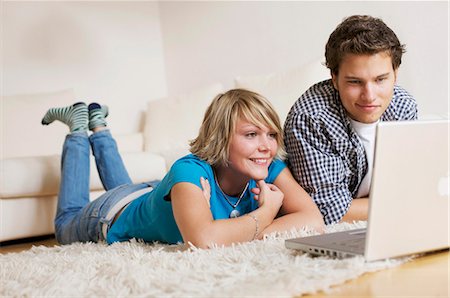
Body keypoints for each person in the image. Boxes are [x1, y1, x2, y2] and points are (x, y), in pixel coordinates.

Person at [42, 89, 324, 248]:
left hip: (150, 193)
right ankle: (79, 129)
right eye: (251, 135)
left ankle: (100, 126)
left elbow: (313, 219)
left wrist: (234, 230)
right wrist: (267, 212)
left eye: (272, 135)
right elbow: (203, 240)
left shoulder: (267, 165)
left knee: (129, 191)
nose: (266, 146)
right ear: (221, 137)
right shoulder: (187, 171)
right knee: (65, 223)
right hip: (111, 212)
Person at [284, 15, 418, 225]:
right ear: (334, 78)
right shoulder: (310, 119)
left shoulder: (403, 106)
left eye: (380, 79)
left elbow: (406, 183)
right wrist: (402, 203)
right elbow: (329, 211)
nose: (370, 95)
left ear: (395, 74)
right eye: (355, 82)